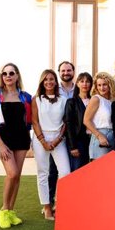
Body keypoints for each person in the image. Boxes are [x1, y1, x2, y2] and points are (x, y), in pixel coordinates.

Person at [0, 63, 32, 229]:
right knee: (11, 174)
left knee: (17, 176)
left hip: (21, 138)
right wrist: (1, 144)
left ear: (17, 75)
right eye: (4, 74)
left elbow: (29, 120)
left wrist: (29, 139)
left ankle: (11, 211)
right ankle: (4, 210)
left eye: (11, 73)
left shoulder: (26, 97)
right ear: (2, 77)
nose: (8, 76)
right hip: (3, 138)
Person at [31, 69, 71, 221]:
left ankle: (59, 204)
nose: (49, 82)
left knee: (65, 172)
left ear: (56, 81)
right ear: (42, 81)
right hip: (41, 137)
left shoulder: (64, 99)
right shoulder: (37, 99)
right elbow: (34, 121)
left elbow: (66, 122)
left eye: (52, 79)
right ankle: (46, 206)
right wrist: (42, 141)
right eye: (46, 79)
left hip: (58, 139)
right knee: (43, 172)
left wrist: (57, 139)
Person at [48, 60, 76, 206]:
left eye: (68, 70)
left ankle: (69, 200)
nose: (66, 73)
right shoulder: (53, 88)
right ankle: (51, 200)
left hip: (73, 134)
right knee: (53, 170)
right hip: (56, 135)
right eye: (63, 71)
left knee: (71, 168)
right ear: (59, 73)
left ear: (73, 72)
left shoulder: (79, 88)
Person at [83, 72, 115, 160]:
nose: (102, 88)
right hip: (100, 137)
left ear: (110, 85)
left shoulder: (112, 101)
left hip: (112, 137)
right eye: (99, 85)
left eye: (104, 84)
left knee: (110, 170)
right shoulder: (96, 99)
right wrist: (99, 136)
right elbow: (86, 120)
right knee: (100, 170)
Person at [64, 72, 93, 171]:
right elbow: (69, 125)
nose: (85, 84)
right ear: (77, 84)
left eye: (88, 81)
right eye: (82, 81)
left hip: (93, 140)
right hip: (78, 141)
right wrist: (73, 146)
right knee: (77, 170)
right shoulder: (71, 102)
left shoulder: (95, 100)